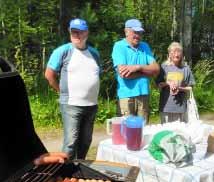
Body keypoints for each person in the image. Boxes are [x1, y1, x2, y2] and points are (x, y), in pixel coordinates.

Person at [45, 18, 101, 160]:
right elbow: (49, 74)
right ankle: (65, 174)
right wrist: (60, 91)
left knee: (86, 141)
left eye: (80, 32)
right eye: (73, 32)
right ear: (70, 32)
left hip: (91, 105)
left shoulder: (94, 53)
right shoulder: (63, 51)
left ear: (86, 33)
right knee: (70, 143)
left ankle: (79, 168)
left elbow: (95, 75)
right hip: (71, 105)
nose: (76, 35)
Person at [111, 18, 160, 123]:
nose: (138, 35)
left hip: (143, 95)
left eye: (140, 33)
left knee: (143, 131)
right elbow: (124, 74)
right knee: (127, 132)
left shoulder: (144, 46)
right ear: (126, 31)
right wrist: (146, 73)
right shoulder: (119, 46)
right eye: (135, 32)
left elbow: (156, 69)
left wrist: (139, 67)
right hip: (126, 96)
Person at [156, 42, 195, 123]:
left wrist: (179, 88)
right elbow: (159, 85)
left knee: (180, 133)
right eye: (173, 52)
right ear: (169, 54)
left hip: (181, 108)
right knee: (166, 133)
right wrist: (168, 84)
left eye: (179, 52)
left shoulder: (186, 68)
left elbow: (191, 88)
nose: (176, 55)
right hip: (166, 107)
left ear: (182, 54)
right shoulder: (164, 67)